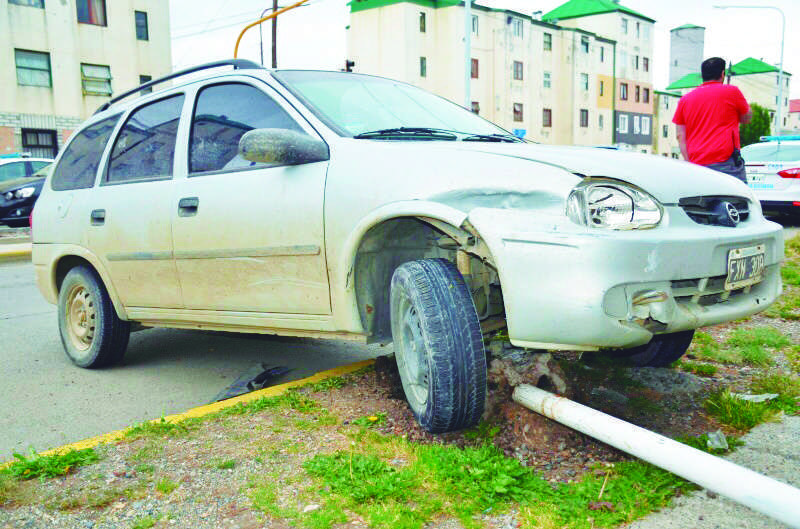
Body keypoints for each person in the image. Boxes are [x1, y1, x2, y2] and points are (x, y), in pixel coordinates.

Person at [672, 57, 752, 182]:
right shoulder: (731, 92)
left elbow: (680, 135)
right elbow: (747, 117)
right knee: (738, 198)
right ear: (722, 74)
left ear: (702, 75)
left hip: (696, 165)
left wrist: (689, 163)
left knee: (701, 199)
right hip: (726, 163)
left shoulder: (685, 100)